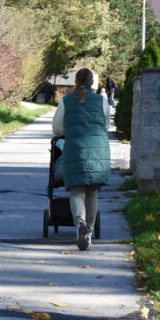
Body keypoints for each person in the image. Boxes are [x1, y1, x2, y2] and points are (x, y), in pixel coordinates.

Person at [52, 68, 111, 251]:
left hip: (75, 150)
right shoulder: (102, 101)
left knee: (76, 191)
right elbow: (106, 126)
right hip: (97, 151)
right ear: (92, 83)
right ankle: (89, 233)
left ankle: (80, 225)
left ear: (75, 82)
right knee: (92, 193)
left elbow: (57, 129)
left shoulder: (66, 101)